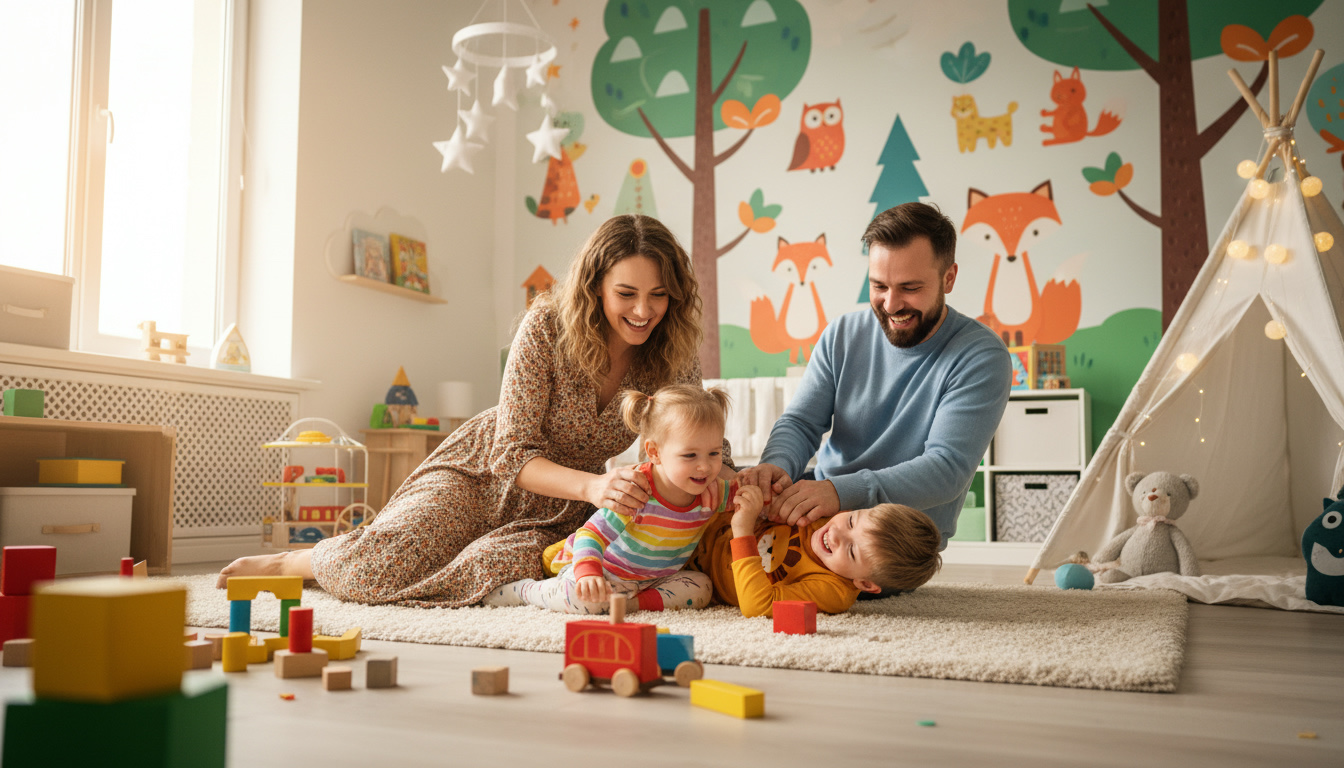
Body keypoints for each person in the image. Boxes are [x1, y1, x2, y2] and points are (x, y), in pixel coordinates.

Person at [216, 214, 734, 606]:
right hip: (485, 471)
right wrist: (595, 487)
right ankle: (297, 561)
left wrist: (745, 481)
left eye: (659, 296)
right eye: (626, 293)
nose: (643, 311)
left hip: (563, 505)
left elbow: (705, 441)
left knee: (491, 570)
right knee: (378, 568)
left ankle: (335, 564)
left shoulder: (671, 351)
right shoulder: (547, 326)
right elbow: (511, 453)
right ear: (595, 286)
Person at [737, 202, 1011, 556]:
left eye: (910, 288)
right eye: (879, 285)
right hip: (822, 507)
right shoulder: (843, 334)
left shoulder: (981, 356)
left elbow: (945, 470)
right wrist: (775, 467)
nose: (891, 304)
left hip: (893, 539)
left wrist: (838, 492)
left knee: (773, 573)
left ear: (949, 278)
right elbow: (802, 423)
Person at [483, 384, 764, 614]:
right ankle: (526, 591)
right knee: (583, 599)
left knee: (702, 588)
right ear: (654, 453)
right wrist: (589, 574)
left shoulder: (713, 490)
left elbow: (742, 499)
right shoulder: (636, 491)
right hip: (606, 572)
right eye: (690, 455)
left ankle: (630, 605)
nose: (705, 466)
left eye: (713, 453)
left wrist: (754, 497)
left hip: (654, 579)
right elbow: (589, 535)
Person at [686, 499, 942, 616]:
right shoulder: (824, 516)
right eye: (852, 520)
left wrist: (742, 531)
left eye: (852, 551)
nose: (838, 534)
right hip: (698, 521)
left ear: (865, 584)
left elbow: (758, 606)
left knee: (694, 591)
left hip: (694, 573)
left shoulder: (832, 591)